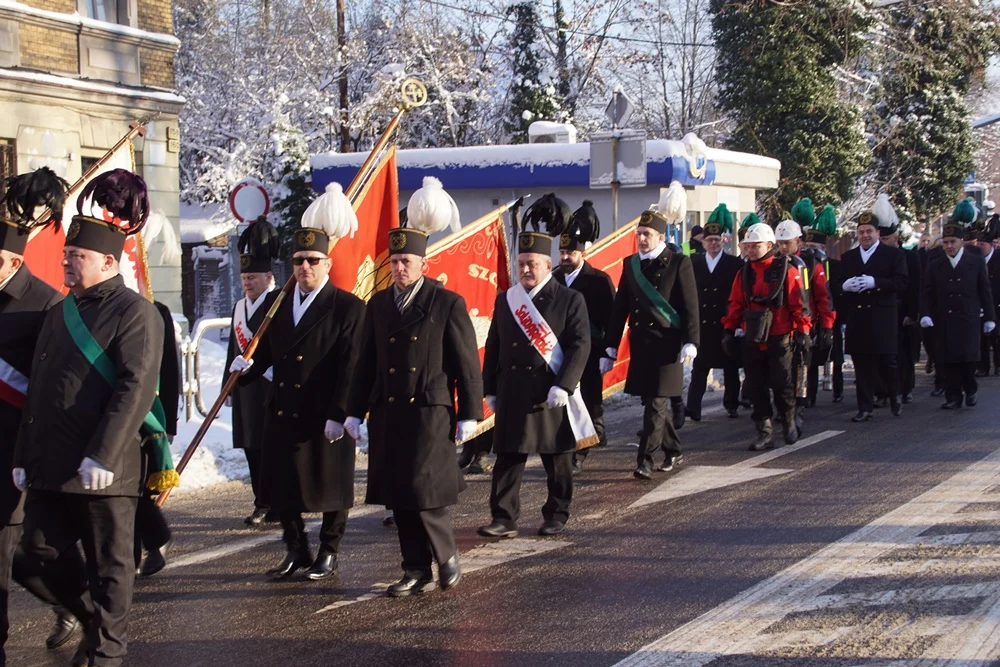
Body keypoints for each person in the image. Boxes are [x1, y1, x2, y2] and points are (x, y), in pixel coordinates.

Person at [14, 169, 166, 666]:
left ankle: (106, 653)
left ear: (106, 261)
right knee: (35, 553)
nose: (68, 264)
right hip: (52, 465)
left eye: (76, 257)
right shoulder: (60, 311)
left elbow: (135, 389)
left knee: (110, 567)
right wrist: (23, 454)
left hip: (105, 467)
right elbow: (38, 390)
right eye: (66, 256)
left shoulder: (135, 312)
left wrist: (103, 452)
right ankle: (89, 620)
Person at [347, 177, 483, 596]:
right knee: (399, 495)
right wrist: (353, 409)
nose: (400, 268)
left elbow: (465, 361)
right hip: (390, 410)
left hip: (429, 409)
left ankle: (446, 555)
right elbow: (365, 362)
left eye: (407, 260)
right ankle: (414, 568)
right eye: (395, 260)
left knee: (424, 491)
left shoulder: (446, 303)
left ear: (424, 263)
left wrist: (470, 413)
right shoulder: (380, 305)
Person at [230, 182, 365, 581]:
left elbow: (351, 365)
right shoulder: (278, 306)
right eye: (298, 261)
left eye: (312, 260)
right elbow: (268, 354)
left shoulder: (347, 307)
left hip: (324, 412)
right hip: (285, 407)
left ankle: (329, 549)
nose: (304, 267)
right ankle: (295, 548)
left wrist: (341, 412)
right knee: (282, 485)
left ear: (327, 263)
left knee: (330, 485)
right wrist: (246, 368)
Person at [478, 194, 594, 538]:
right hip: (513, 389)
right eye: (522, 262)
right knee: (509, 458)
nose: (526, 268)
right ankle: (503, 517)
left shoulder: (570, 299)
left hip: (550, 388)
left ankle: (557, 513)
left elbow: (580, 345)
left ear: (547, 265)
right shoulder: (507, 300)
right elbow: (494, 347)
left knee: (557, 457)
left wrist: (565, 383)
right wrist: (490, 388)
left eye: (533, 263)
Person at [0, 168, 67, 663]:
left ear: (11, 259)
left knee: (12, 553)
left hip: (15, 447)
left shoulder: (45, 305)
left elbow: (50, 386)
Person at [602, 209, 699, 480]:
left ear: (660, 236)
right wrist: (610, 345)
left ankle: (644, 459)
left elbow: (690, 306)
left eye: (647, 234)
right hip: (642, 345)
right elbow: (620, 307)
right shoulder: (631, 264)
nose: (642, 239)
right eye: (639, 234)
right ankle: (674, 450)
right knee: (652, 402)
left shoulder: (679, 263)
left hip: (668, 346)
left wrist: (691, 341)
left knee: (655, 403)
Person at [722, 223, 810, 450]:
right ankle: (764, 432)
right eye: (747, 246)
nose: (750, 250)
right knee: (756, 386)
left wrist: (803, 331)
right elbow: (735, 303)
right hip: (753, 337)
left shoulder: (787, 270)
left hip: (780, 337)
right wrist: (729, 330)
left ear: (769, 245)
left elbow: (798, 303)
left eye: (755, 246)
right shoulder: (743, 274)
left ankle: (788, 418)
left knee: (782, 384)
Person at [553, 201, 616, 474]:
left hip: (590, 353)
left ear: (582, 252)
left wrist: (607, 352)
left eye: (570, 253)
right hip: (558, 352)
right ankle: (569, 448)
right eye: (562, 252)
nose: (565, 257)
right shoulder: (553, 280)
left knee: (587, 403)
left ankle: (581, 452)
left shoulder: (599, 280)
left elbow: (611, 318)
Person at [225, 216, 280, 526]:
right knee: (251, 448)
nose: (247, 283)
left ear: (267, 277)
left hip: (269, 385)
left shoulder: (276, 303)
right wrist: (228, 385)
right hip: (245, 387)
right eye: (244, 277)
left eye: (252, 277)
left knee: (270, 448)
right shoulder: (238, 308)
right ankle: (260, 500)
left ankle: (273, 501)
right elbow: (234, 350)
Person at [920, 201, 996, 409]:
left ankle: (970, 389)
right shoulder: (936, 264)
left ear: (961, 242)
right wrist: (925, 313)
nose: (949, 246)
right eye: (945, 242)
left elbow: (985, 289)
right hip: (945, 317)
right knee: (947, 360)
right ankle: (953, 396)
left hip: (968, 317)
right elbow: (927, 291)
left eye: (953, 242)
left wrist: (989, 317)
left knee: (968, 360)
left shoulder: (975, 260)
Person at [838, 205, 909, 422]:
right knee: (862, 364)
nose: (865, 236)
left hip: (882, 317)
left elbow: (902, 282)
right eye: (861, 232)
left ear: (878, 233)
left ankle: (895, 394)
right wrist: (844, 286)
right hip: (858, 317)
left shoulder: (893, 255)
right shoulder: (849, 257)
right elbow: (837, 284)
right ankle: (865, 407)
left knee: (887, 361)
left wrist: (875, 282)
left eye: (869, 231)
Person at [686, 204, 743, 420]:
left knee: (729, 367)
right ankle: (693, 407)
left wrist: (736, 324)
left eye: (716, 240)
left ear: (723, 241)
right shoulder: (694, 262)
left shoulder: (734, 263)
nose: (713, 244)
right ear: (703, 242)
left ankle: (731, 403)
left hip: (724, 322)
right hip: (702, 323)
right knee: (699, 368)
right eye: (709, 241)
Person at [875, 200, 921, 403]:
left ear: (895, 237)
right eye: (881, 238)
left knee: (904, 353)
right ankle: (884, 390)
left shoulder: (910, 258)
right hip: (883, 311)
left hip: (903, 310)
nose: (884, 241)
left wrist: (913, 313)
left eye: (887, 238)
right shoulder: (875, 257)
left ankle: (906, 387)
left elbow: (915, 287)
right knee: (883, 352)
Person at [801, 204, 841, 405]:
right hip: (809, 316)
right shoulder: (804, 263)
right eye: (808, 247)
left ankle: (825, 391)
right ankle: (805, 395)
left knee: (822, 358)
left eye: (815, 248)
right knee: (807, 360)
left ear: (823, 249)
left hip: (827, 316)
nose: (811, 251)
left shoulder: (833, 265)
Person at [977, 215, 1000, 377]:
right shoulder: (975, 260)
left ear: (990, 245)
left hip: (998, 303)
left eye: (982, 244)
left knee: (997, 337)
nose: (979, 247)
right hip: (981, 305)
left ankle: (998, 365)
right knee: (981, 338)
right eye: (977, 244)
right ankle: (983, 367)